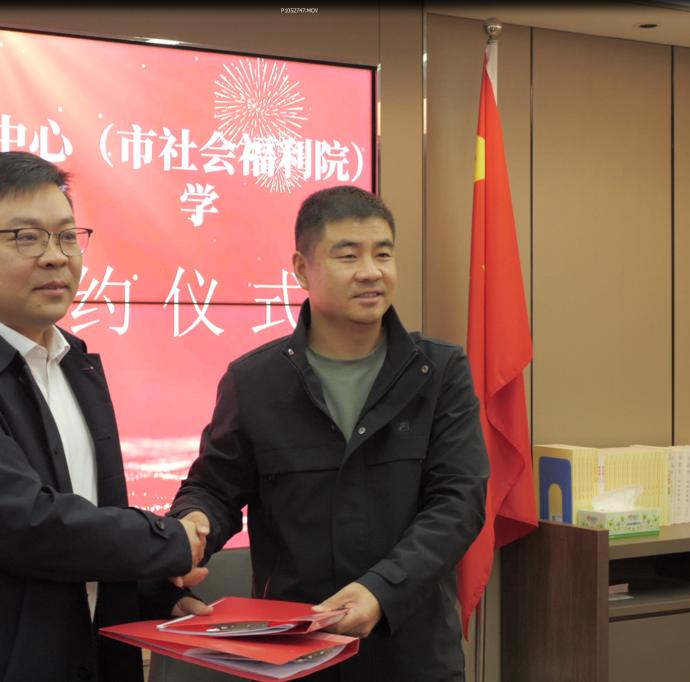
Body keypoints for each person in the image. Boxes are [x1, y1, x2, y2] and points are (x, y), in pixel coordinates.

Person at [0, 151, 210, 682]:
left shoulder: (73, 362)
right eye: (26, 238)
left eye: (67, 237)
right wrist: (170, 542)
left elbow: (87, 515)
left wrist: (153, 593)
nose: (55, 257)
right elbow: (25, 526)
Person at [170, 185, 489, 681]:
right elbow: (215, 488)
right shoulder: (255, 381)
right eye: (348, 255)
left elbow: (458, 501)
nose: (371, 271)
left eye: (383, 253)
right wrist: (192, 526)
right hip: (293, 652)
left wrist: (381, 589)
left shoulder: (439, 371)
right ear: (302, 269)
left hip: (411, 654)